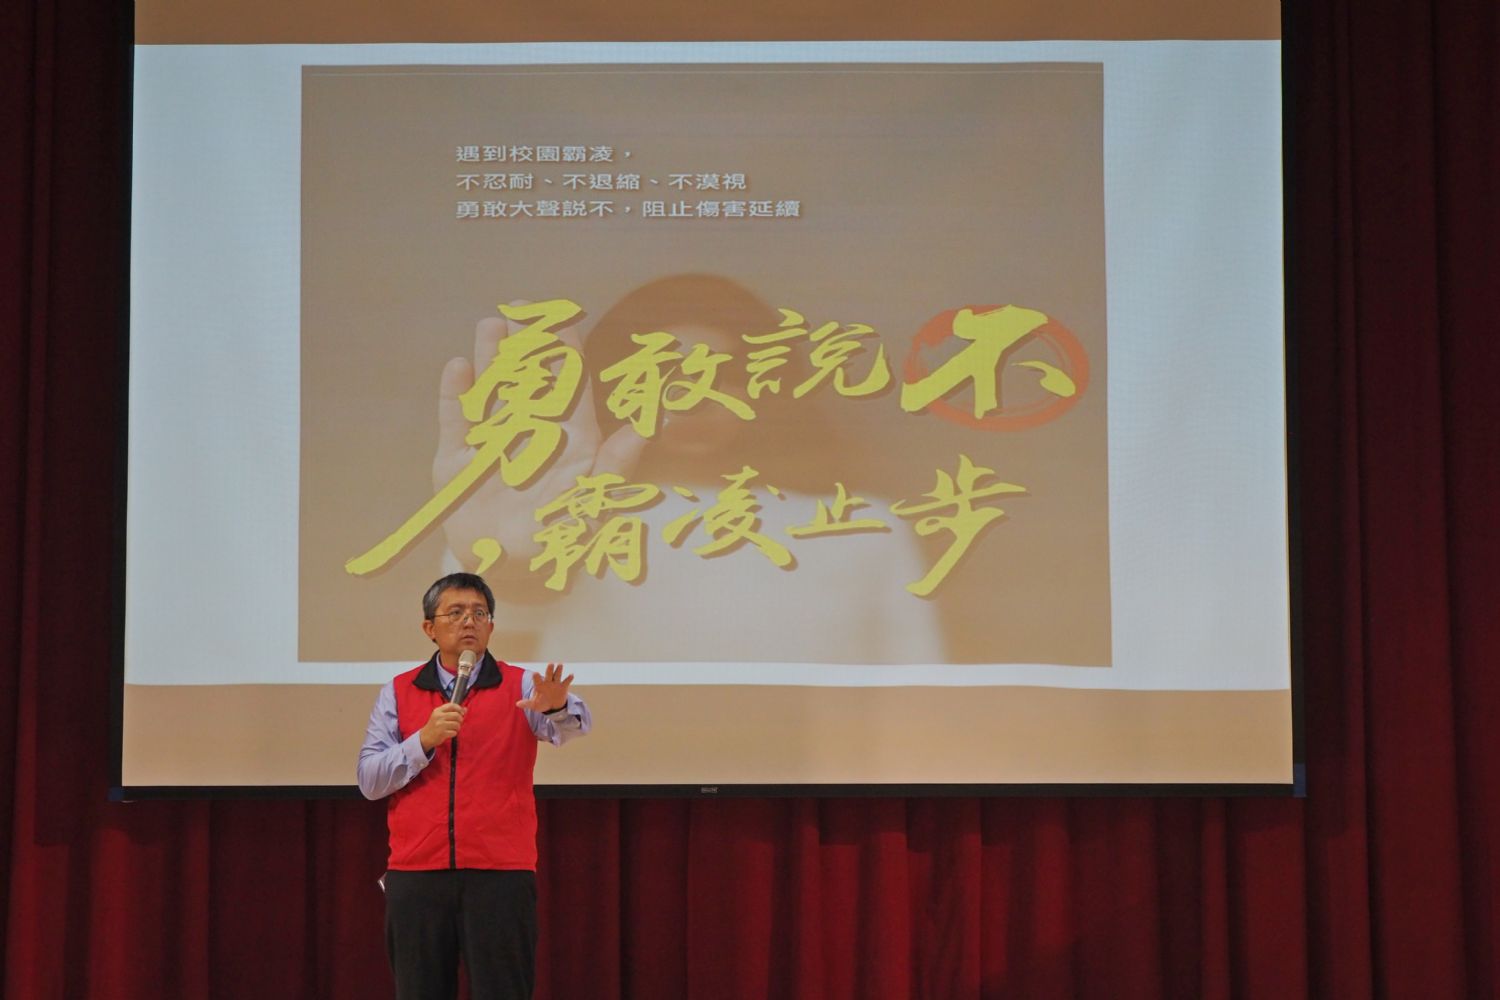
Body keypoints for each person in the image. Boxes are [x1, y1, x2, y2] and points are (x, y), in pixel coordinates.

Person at [357, 572, 590, 1000]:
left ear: (491, 627)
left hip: (500, 874)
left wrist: (556, 708)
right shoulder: (399, 691)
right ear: (429, 628)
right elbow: (370, 780)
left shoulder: (522, 685)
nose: (469, 621)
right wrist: (423, 741)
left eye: (479, 613)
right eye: (456, 612)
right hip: (417, 874)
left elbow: (573, 727)